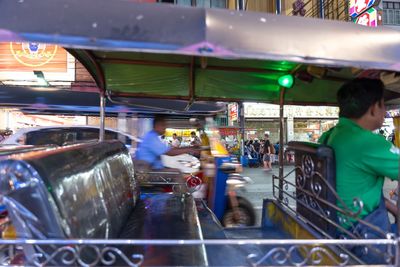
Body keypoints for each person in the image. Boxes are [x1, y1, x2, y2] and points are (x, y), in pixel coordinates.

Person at [319, 78, 399, 263]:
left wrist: (392, 207)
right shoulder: (369, 143)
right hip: (362, 234)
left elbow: (352, 184)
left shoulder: (330, 135)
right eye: (383, 105)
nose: (385, 111)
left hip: (337, 224)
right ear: (373, 108)